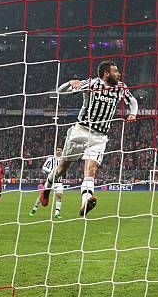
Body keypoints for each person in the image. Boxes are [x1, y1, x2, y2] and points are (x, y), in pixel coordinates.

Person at [38, 60, 138, 216]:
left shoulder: (121, 87)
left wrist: (133, 113)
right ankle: (47, 188)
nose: (118, 74)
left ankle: (86, 201)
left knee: (91, 169)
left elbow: (133, 101)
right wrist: (69, 83)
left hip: (100, 137)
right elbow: (60, 91)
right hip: (81, 131)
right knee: (62, 169)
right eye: (115, 71)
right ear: (106, 73)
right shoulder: (91, 84)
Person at [30, 147, 64, 218]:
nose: (59, 151)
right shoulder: (51, 158)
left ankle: (57, 213)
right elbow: (44, 167)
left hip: (59, 182)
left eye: (60, 150)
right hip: (50, 181)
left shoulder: (63, 159)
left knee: (59, 196)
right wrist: (52, 171)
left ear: (62, 152)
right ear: (55, 151)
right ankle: (34, 208)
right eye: (57, 150)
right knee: (43, 195)